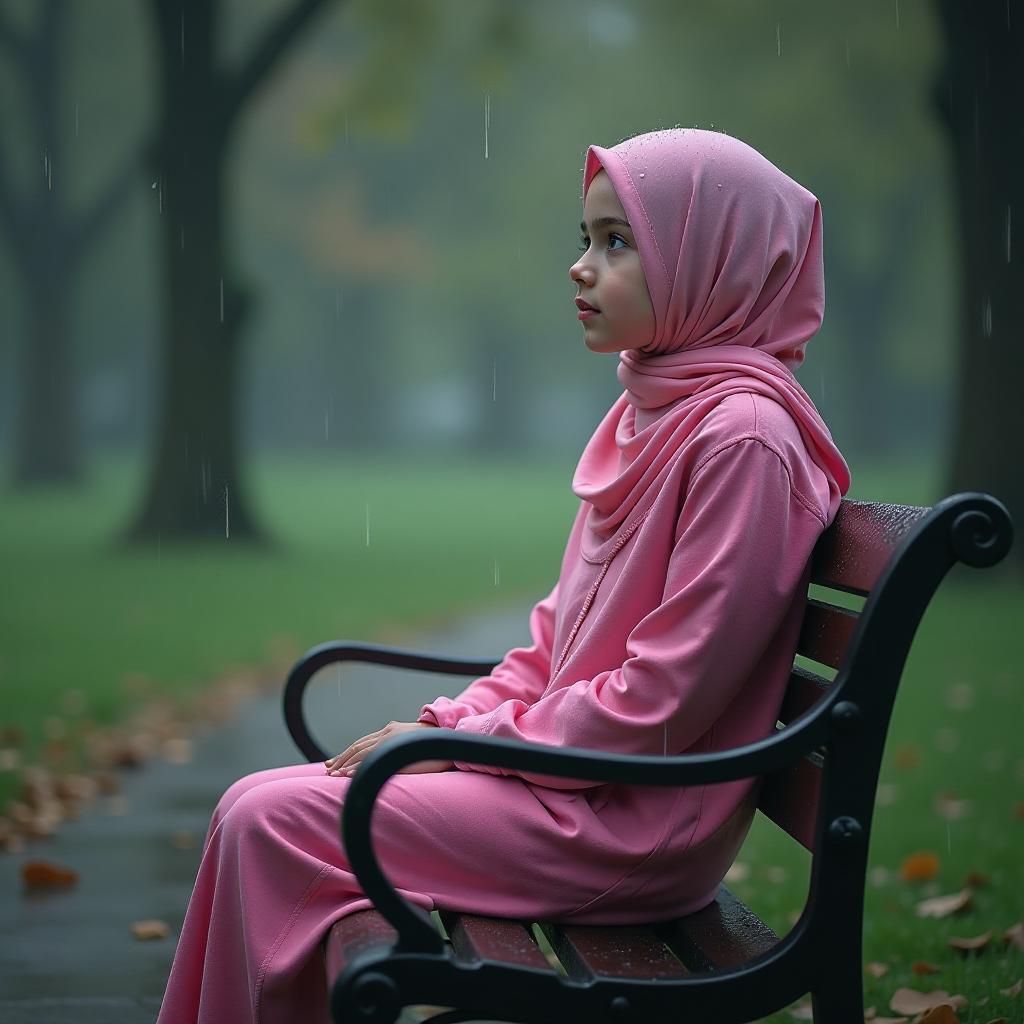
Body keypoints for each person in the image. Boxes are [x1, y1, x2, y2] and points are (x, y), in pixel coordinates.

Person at [155, 127, 851, 1024]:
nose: (580, 267)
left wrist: (456, 745)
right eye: (585, 237)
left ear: (711, 262)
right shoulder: (663, 412)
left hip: (632, 824)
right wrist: (445, 723)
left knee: (270, 822)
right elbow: (556, 649)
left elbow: (663, 704)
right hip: (577, 788)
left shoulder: (741, 440)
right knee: (253, 801)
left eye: (617, 242)